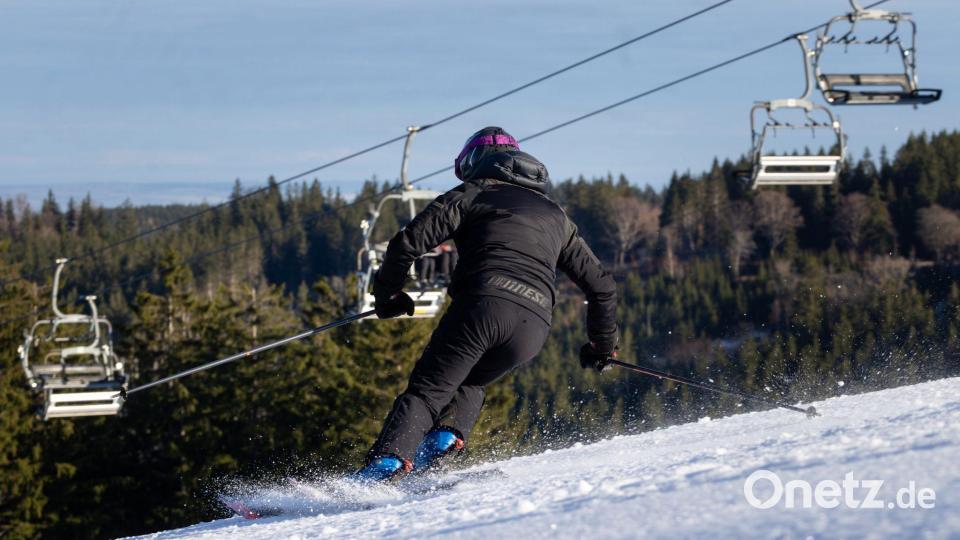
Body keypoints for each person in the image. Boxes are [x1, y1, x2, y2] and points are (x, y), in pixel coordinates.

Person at [356, 126, 618, 481]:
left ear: (476, 162)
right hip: (533, 327)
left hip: (482, 306)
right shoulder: (557, 217)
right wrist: (602, 345)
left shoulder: (473, 193)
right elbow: (601, 286)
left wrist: (387, 296)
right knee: (471, 380)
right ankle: (441, 442)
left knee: (426, 391)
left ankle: (382, 467)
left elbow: (406, 244)